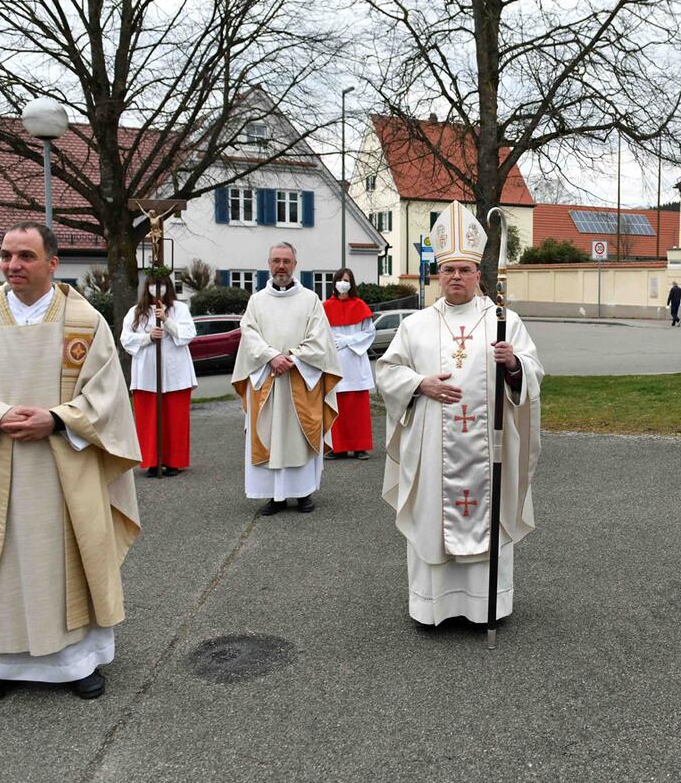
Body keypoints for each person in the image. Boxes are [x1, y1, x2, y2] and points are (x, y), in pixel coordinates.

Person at [0, 222, 140, 709]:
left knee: (68, 558)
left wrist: (56, 420)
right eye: (5, 255)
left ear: (52, 263)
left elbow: (107, 395)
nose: (12, 265)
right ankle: (0, 666)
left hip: (64, 468)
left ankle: (78, 663)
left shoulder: (84, 319)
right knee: (0, 559)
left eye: (25, 256)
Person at [375, 201, 543, 626]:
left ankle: (488, 606)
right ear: (437, 275)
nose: (455, 277)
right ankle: (433, 608)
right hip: (433, 447)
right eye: (447, 270)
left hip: (489, 449)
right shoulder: (416, 325)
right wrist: (420, 384)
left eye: (464, 270)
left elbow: (533, 372)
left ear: (478, 276)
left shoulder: (504, 321)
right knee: (433, 518)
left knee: (488, 511)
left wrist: (513, 365)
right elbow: (387, 372)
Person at [231, 242, 341, 515]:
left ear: (295, 264)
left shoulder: (310, 300)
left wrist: (292, 358)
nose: (281, 266)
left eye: (286, 261)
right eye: (276, 261)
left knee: (299, 437)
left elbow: (320, 338)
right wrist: (271, 357)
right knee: (269, 434)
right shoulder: (256, 301)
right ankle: (274, 496)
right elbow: (249, 334)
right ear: (269, 264)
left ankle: (303, 493)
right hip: (267, 379)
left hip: (300, 379)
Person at [120, 274, 197, 477]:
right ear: (147, 287)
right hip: (147, 374)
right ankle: (153, 461)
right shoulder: (136, 312)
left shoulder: (180, 309)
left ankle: (174, 461)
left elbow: (188, 334)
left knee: (175, 419)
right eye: (153, 285)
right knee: (149, 420)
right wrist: (147, 338)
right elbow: (126, 339)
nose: (157, 290)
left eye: (161, 285)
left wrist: (167, 321)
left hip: (175, 373)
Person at [323, 267, 375, 461]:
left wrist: (347, 341)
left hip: (355, 360)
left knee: (358, 408)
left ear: (351, 283)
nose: (342, 283)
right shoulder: (325, 306)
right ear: (334, 282)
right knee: (337, 407)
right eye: (339, 279)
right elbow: (319, 333)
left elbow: (369, 333)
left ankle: (360, 447)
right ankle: (338, 448)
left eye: (346, 280)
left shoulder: (360, 305)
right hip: (335, 362)